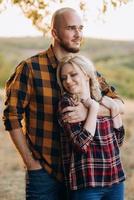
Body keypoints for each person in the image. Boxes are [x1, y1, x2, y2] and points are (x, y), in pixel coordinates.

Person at [3, 7, 124, 200]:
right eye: (71, 28)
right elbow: (11, 116)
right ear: (54, 33)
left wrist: (88, 112)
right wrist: (29, 160)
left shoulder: (84, 69)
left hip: (83, 176)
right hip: (45, 172)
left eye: (81, 28)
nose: (78, 35)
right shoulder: (31, 68)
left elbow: (119, 105)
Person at [57, 55, 125, 200]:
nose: (68, 81)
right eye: (64, 78)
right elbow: (81, 144)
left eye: (73, 75)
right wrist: (93, 110)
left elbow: (119, 140)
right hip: (87, 183)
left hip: (115, 180)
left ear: (87, 74)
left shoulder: (101, 99)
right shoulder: (68, 103)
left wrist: (114, 108)